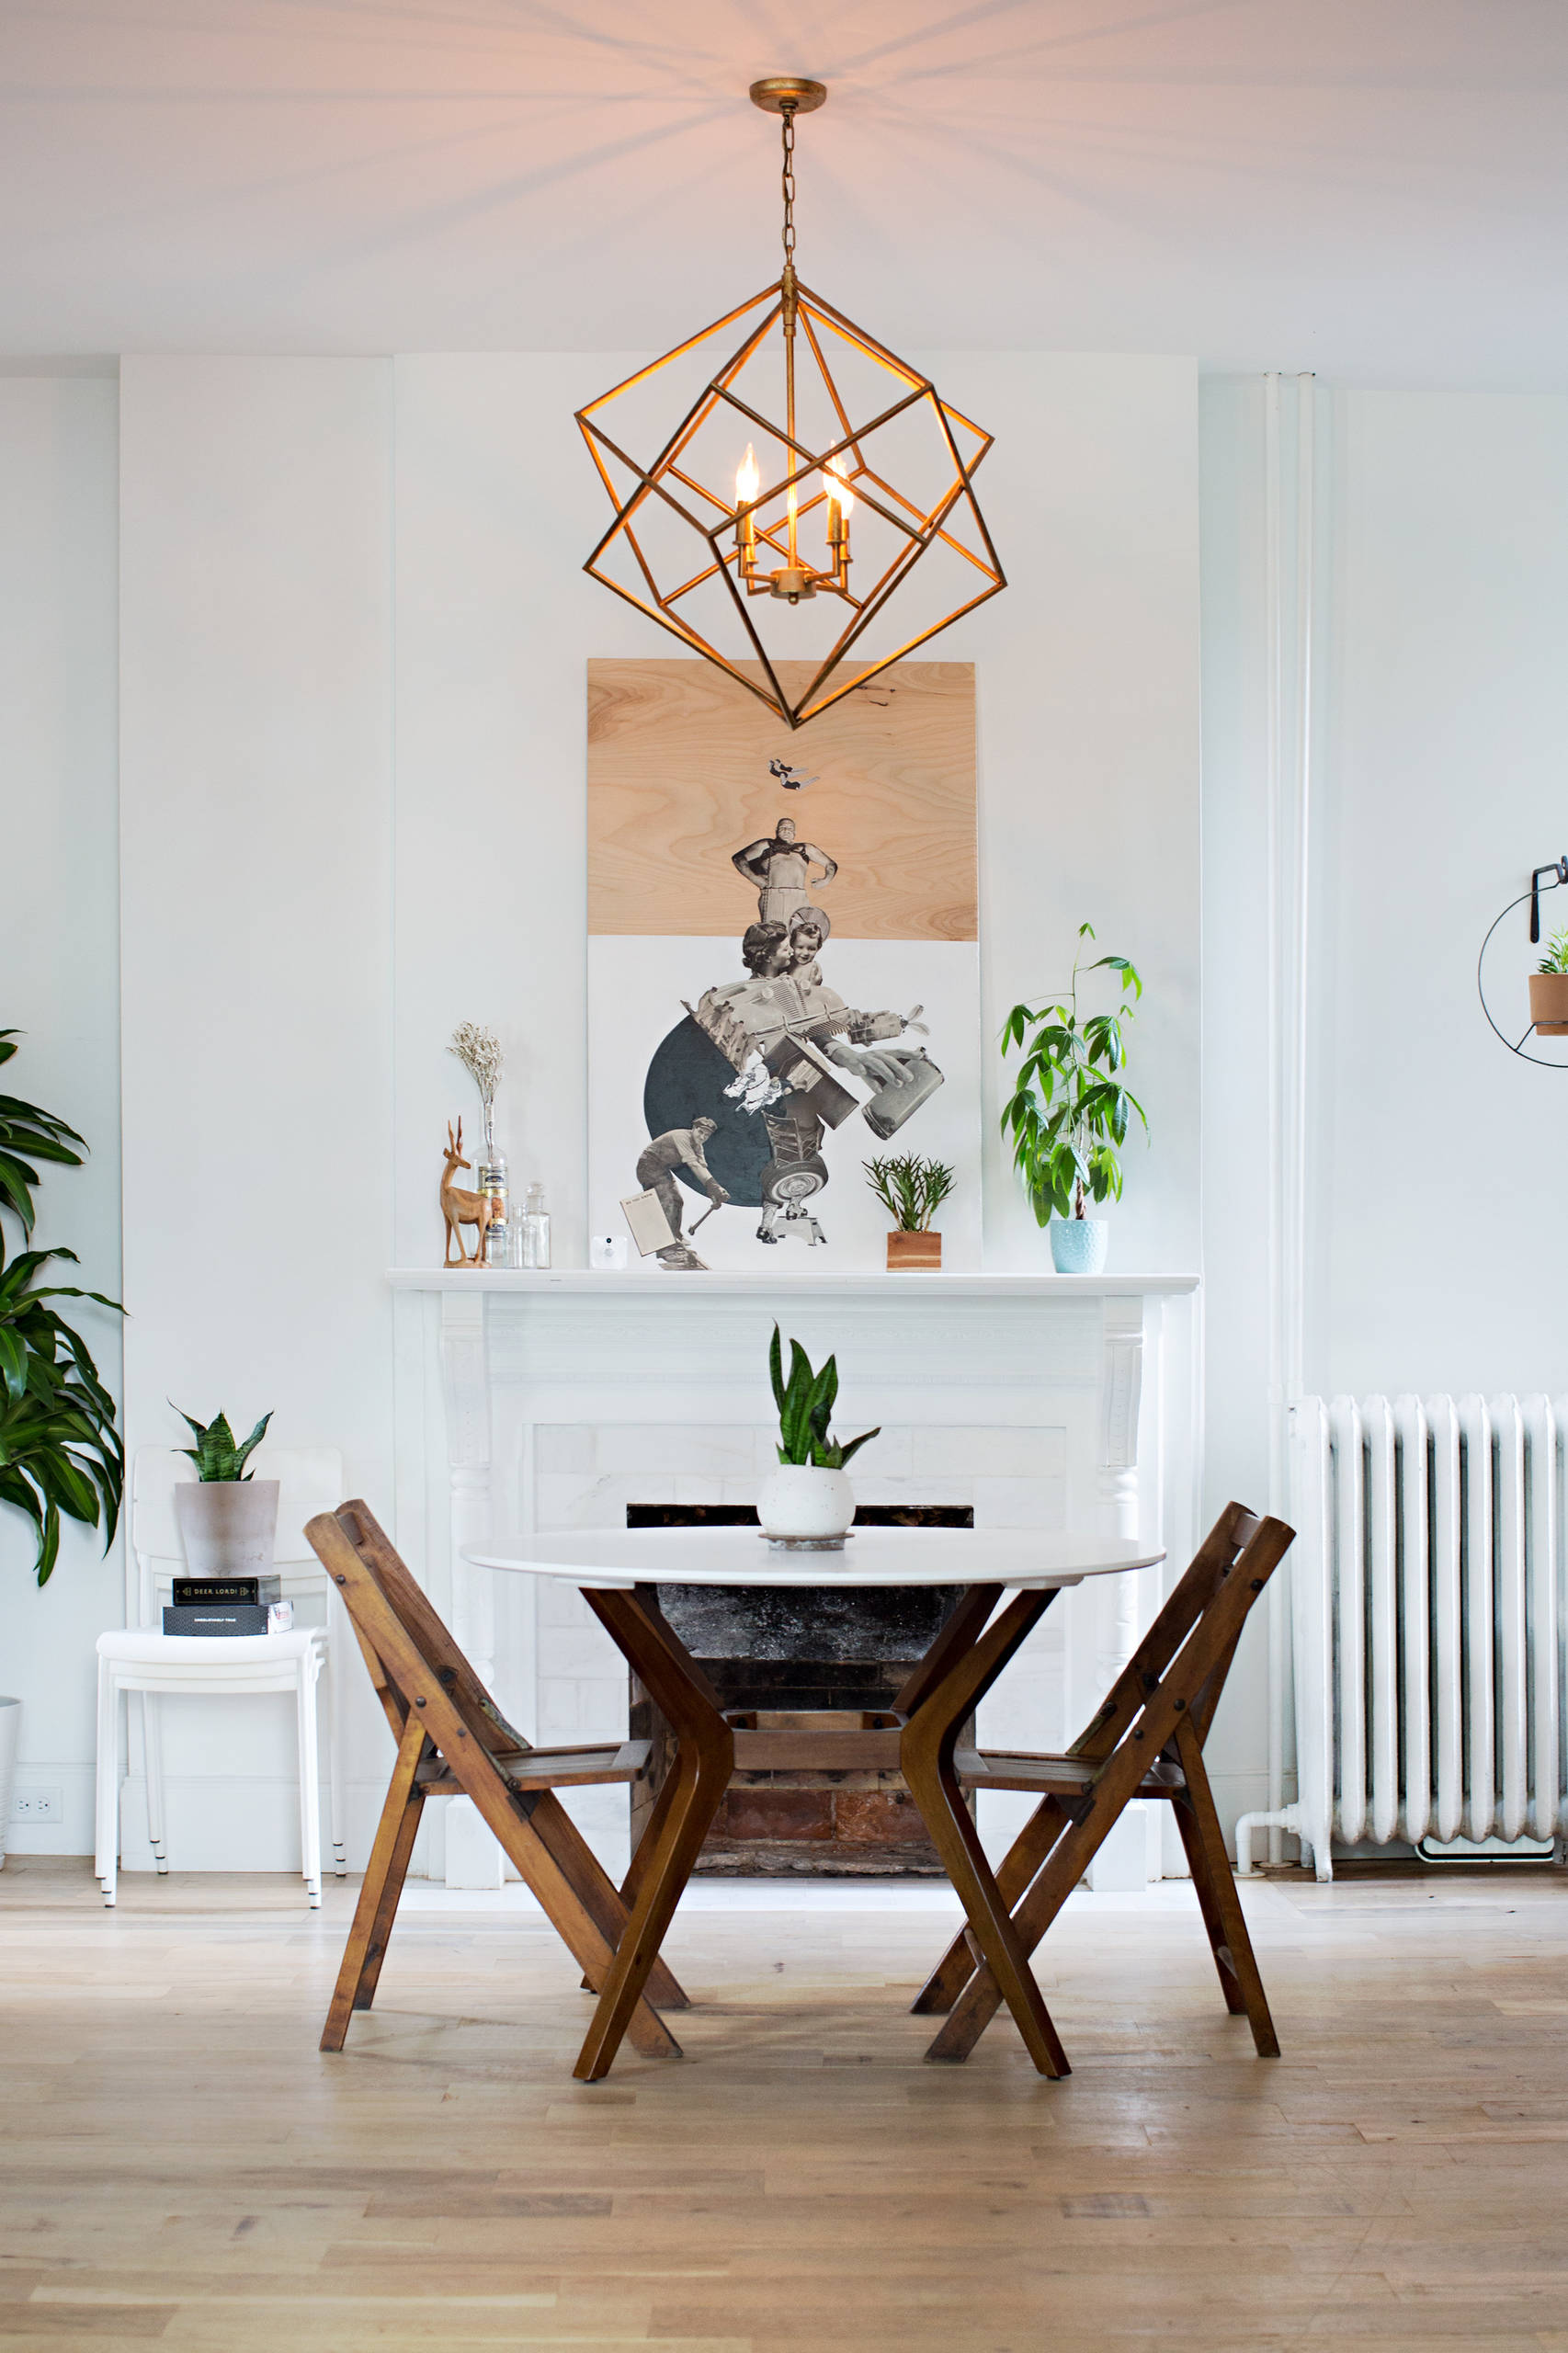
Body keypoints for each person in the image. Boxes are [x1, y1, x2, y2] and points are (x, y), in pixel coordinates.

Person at [634, 1116, 729, 1269]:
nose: (703, 1137)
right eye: (700, 1132)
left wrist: (714, 1194)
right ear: (693, 1128)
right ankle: (666, 1248)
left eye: (706, 1135)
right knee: (669, 1200)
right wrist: (714, 1186)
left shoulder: (698, 1146)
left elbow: (702, 1169)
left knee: (677, 1201)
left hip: (661, 1168)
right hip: (648, 1165)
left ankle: (674, 1236)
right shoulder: (681, 1137)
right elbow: (693, 1165)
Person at [732, 816, 837, 928]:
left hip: (799, 897)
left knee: (799, 936)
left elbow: (831, 865)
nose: (786, 830)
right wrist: (754, 878)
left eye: (790, 828)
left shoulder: (806, 848)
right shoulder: (766, 845)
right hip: (774, 895)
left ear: (794, 833)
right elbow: (738, 859)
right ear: (776, 831)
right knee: (774, 937)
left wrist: (826, 880)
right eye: (782, 827)